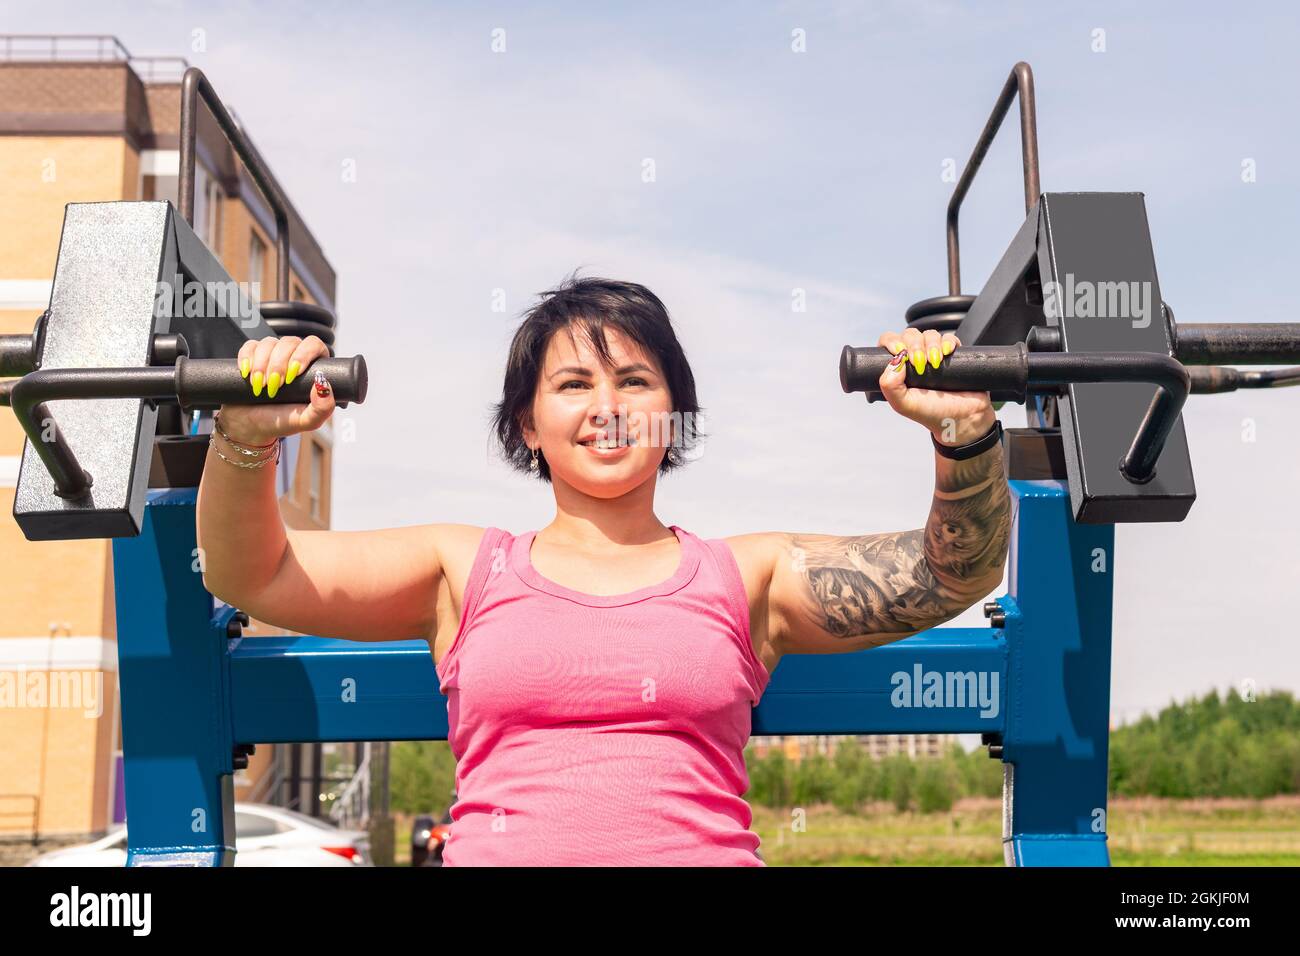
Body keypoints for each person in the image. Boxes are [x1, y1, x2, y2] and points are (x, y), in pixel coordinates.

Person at [197, 275, 1011, 866]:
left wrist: (965, 437)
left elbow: (951, 575)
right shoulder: (464, 571)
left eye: (634, 380)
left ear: (674, 409)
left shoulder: (746, 577)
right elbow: (251, 572)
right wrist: (245, 438)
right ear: (528, 420)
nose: (608, 406)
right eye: (574, 384)